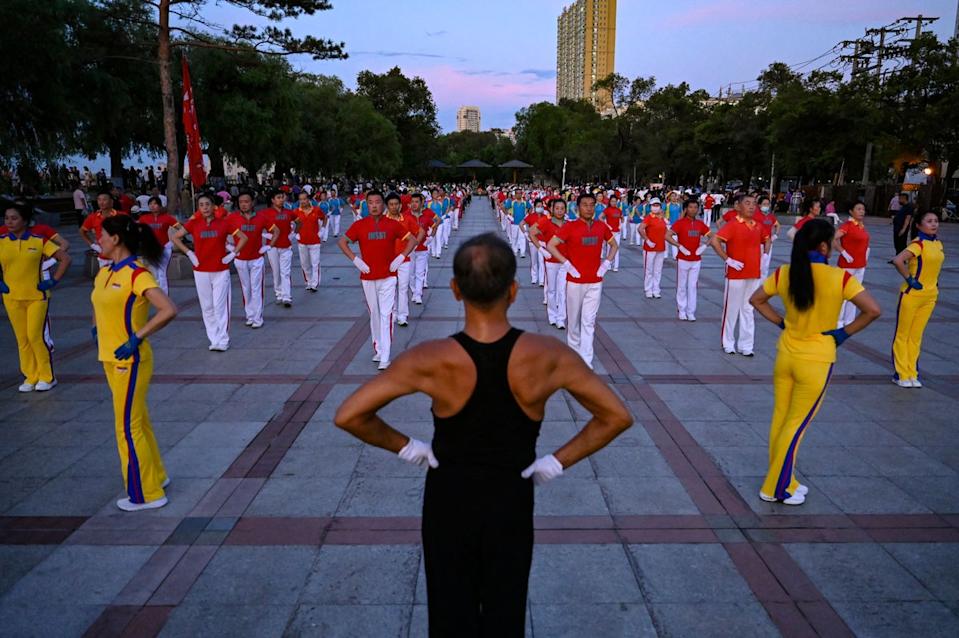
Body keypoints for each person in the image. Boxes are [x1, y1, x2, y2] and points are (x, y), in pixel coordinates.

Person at [333, 233, 633, 636]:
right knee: (504, 611)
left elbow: (350, 414)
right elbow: (615, 416)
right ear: (514, 289)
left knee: (449, 612)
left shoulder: (431, 357)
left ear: (455, 290)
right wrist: (556, 461)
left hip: (448, 501)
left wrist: (409, 447)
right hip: (511, 499)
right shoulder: (548, 354)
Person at [750, 219, 880, 504]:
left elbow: (756, 300)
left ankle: (786, 480)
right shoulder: (840, 278)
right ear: (823, 245)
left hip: (786, 355)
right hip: (817, 359)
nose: (837, 246)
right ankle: (776, 487)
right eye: (834, 241)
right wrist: (843, 333)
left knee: (781, 420)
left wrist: (782, 322)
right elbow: (873, 310)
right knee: (796, 425)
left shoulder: (785, 272)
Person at [91, 215, 178, 511]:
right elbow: (99, 303)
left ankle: (147, 493)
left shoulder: (137, 273)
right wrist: (97, 328)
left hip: (130, 360)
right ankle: (156, 476)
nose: (98, 239)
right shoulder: (105, 272)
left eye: (102, 235)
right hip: (109, 357)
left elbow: (167, 309)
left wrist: (136, 337)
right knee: (138, 421)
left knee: (127, 427)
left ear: (116, 239)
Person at [337, 190, 417, 370]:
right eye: (370, 202)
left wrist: (401, 257)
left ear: (383, 205)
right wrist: (356, 260)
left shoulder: (392, 224)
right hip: (367, 276)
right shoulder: (360, 225)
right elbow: (342, 242)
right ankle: (379, 349)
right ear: (366, 204)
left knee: (386, 314)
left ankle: (386, 355)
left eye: (378, 202)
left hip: (388, 276)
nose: (374, 205)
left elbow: (412, 240)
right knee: (374, 313)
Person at [1, 201, 71, 392]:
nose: (10, 222)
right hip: (11, 297)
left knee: (35, 336)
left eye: (14, 218)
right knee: (21, 338)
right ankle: (30, 376)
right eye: (7, 218)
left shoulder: (38, 240)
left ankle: (47, 376)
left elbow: (65, 258)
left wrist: (54, 280)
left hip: (36, 296)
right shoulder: (2, 240)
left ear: (25, 220)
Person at [547, 192, 618, 369]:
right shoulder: (570, 227)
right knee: (573, 321)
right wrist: (567, 264)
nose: (589, 208)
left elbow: (614, 245)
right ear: (578, 208)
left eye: (592, 205)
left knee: (589, 321)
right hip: (575, 281)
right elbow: (551, 245)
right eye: (585, 204)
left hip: (595, 281)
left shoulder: (601, 227)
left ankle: (586, 359)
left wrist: (606, 263)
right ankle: (573, 354)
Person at [172, 193, 247, 351]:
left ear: (214, 206)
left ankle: (223, 339)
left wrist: (233, 254)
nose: (205, 207)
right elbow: (175, 237)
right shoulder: (194, 224)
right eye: (201, 205)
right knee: (207, 307)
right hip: (200, 270)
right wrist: (189, 253)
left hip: (220, 270)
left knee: (220, 306)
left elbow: (243, 237)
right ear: (198, 208)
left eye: (207, 204)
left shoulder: (224, 223)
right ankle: (213, 339)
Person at [710, 194, 770, 356]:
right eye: (747, 203)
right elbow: (715, 241)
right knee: (732, 309)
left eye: (754, 204)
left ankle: (746, 345)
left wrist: (765, 256)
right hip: (736, 273)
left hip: (753, 273)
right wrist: (727, 259)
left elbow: (767, 239)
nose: (751, 206)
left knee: (748, 309)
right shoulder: (733, 224)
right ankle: (728, 342)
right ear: (738, 206)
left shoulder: (757, 225)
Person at [890, 210, 943, 388]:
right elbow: (898, 260)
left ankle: (912, 372)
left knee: (916, 336)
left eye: (936, 220)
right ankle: (900, 373)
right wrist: (910, 279)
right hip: (912, 295)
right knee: (903, 334)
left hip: (930, 296)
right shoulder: (918, 244)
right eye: (929, 221)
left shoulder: (938, 244)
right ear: (919, 225)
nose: (934, 224)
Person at [227, 190, 272, 328]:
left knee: (256, 287)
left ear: (252, 202)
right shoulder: (232, 218)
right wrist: (230, 248)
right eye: (241, 202)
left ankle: (257, 318)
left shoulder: (261, 217)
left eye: (246, 201)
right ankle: (250, 315)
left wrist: (268, 246)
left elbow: (275, 231)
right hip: (240, 259)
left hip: (257, 258)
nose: (244, 204)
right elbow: (221, 232)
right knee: (246, 288)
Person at [385, 192, 425, 327]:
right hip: (387, 260)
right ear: (387, 206)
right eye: (391, 204)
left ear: (400, 205)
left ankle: (402, 315)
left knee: (402, 287)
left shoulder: (407, 219)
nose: (394, 207)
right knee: (390, 288)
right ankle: (393, 313)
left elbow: (421, 231)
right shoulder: (382, 220)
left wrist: (413, 246)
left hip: (404, 259)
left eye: (396, 204)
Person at [666, 199, 711, 321]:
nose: (693, 210)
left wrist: (704, 246)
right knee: (681, 285)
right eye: (690, 207)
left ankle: (691, 311)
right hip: (683, 258)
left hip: (696, 259)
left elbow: (713, 236)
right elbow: (667, 236)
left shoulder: (700, 224)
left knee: (692, 286)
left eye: (696, 207)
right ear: (686, 209)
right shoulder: (680, 223)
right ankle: (682, 309)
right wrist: (679, 246)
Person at [529, 198, 568, 329]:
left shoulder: (568, 224)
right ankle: (552, 315)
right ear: (552, 209)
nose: (559, 211)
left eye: (562, 208)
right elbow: (531, 233)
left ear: (565, 210)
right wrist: (541, 249)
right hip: (550, 261)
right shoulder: (545, 222)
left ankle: (561, 318)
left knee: (562, 290)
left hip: (564, 261)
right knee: (551, 290)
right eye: (557, 208)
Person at [834, 202, 870, 328]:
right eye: (858, 209)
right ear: (851, 211)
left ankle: (849, 320)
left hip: (860, 264)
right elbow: (833, 238)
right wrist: (843, 251)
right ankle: (838, 321)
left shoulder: (861, 226)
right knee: (843, 293)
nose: (862, 211)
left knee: (854, 294)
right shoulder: (847, 226)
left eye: (863, 209)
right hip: (847, 264)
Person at [137, 196, 181, 294]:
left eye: (155, 204)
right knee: (154, 273)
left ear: (160, 206)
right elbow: (137, 231)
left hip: (164, 248)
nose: (152, 206)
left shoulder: (167, 218)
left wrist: (174, 240)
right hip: (150, 248)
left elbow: (181, 229)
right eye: (150, 204)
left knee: (161, 273)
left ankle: (164, 295)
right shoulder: (144, 218)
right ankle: (157, 295)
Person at [81, 190, 128, 268]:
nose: (101, 202)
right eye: (99, 200)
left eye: (104, 199)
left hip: (121, 255)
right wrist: (93, 245)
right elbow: (82, 231)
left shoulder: (122, 215)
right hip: (104, 257)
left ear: (111, 201)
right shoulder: (93, 217)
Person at [293, 191, 326, 292]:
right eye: (301, 199)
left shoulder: (316, 210)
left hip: (315, 241)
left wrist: (322, 230)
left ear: (308, 200)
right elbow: (292, 223)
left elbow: (325, 218)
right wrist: (295, 233)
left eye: (304, 199)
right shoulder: (296, 212)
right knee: (305, 263)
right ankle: (308, 281)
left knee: (315, 263)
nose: (302, 201)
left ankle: (314, 283)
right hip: (302, 242)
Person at [409, 193, 438, 304]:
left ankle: (418, 294)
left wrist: (430, 237)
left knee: (420, 273)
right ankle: (413, 290)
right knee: (410, 274)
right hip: (410, 250)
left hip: (422, 249)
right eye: (413, 202)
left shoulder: (426, 217)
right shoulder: (406, 216)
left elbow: (435, 225)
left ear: (421, 203)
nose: (414, 204)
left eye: (417, 202)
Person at [639, 197, 668, 299]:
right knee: (649, 270)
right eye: (653, 205)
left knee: (658, 270)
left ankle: (656, 289)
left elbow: (667, 230)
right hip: (650, 248)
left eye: (657, 205)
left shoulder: (663, 218)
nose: (655, 207)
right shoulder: (649, 217)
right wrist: (647, 240)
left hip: (661, 247)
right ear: (650, 207)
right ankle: (648, 289)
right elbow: (640, 229)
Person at [520, 199, 545, 285]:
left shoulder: (545, 217)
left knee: (542, 261)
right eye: (538, 206)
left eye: (541, 206)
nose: (540, 208)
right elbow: (521, 224)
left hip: (542, 242)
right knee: (534, 261)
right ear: (534, 207)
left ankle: (541, 280)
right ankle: (534, 277)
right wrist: (526, 234)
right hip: (532, 242)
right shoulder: (530, 216)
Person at [756, 195, 780, 279]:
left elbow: (777, 225)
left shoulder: (770, 216)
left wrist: (775, 235)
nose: (766, 206)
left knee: (765, 265)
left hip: (768, 244)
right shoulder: (755, 215)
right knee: (757, 264)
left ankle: (762, 284)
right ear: (759, 205)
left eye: (767, 204)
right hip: (757, 243)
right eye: (764, 204)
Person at [600, 195, 623, 271]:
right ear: (610, 202)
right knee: (609, 248)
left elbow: (622, 218)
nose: (614, 203)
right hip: (609, 232)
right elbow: (600, 217)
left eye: (615, 201)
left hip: (617, 232)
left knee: (617, 248)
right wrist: (607, 226)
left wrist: (621, 225)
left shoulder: (619, 210)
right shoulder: (607, 210)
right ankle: (608, 264)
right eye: (612, 201)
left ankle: (615, 266)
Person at [891, 193, 913, 257]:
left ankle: (902, 258)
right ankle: (897, 257)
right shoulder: (903, 207)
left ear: (904, 198)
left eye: (900, 199)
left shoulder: (909, 207)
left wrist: (903, 229)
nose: (899, 201)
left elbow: (908, 218)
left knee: (902, 243)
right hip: (897, 228)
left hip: (901, 228)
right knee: (897, 243)